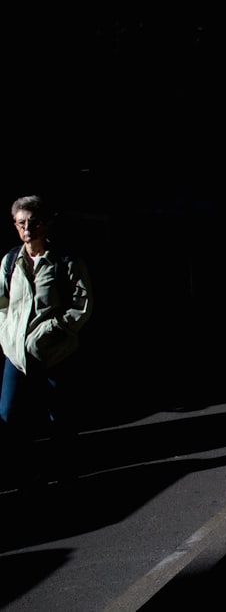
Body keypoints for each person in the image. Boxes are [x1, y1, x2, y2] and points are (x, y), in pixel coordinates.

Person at [0, 194, 94, 487]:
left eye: (34, 222)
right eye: (21, 223)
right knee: (11, 415)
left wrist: (54, 328)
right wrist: (7, 335)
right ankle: (25, 474)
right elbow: (2, 303)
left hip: (56, 353)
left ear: (46, 224)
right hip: (17, 354)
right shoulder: (10, 261)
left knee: (60, 417)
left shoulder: (65, 262)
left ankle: (65, 473)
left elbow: (82, 305)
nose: (28, 228)